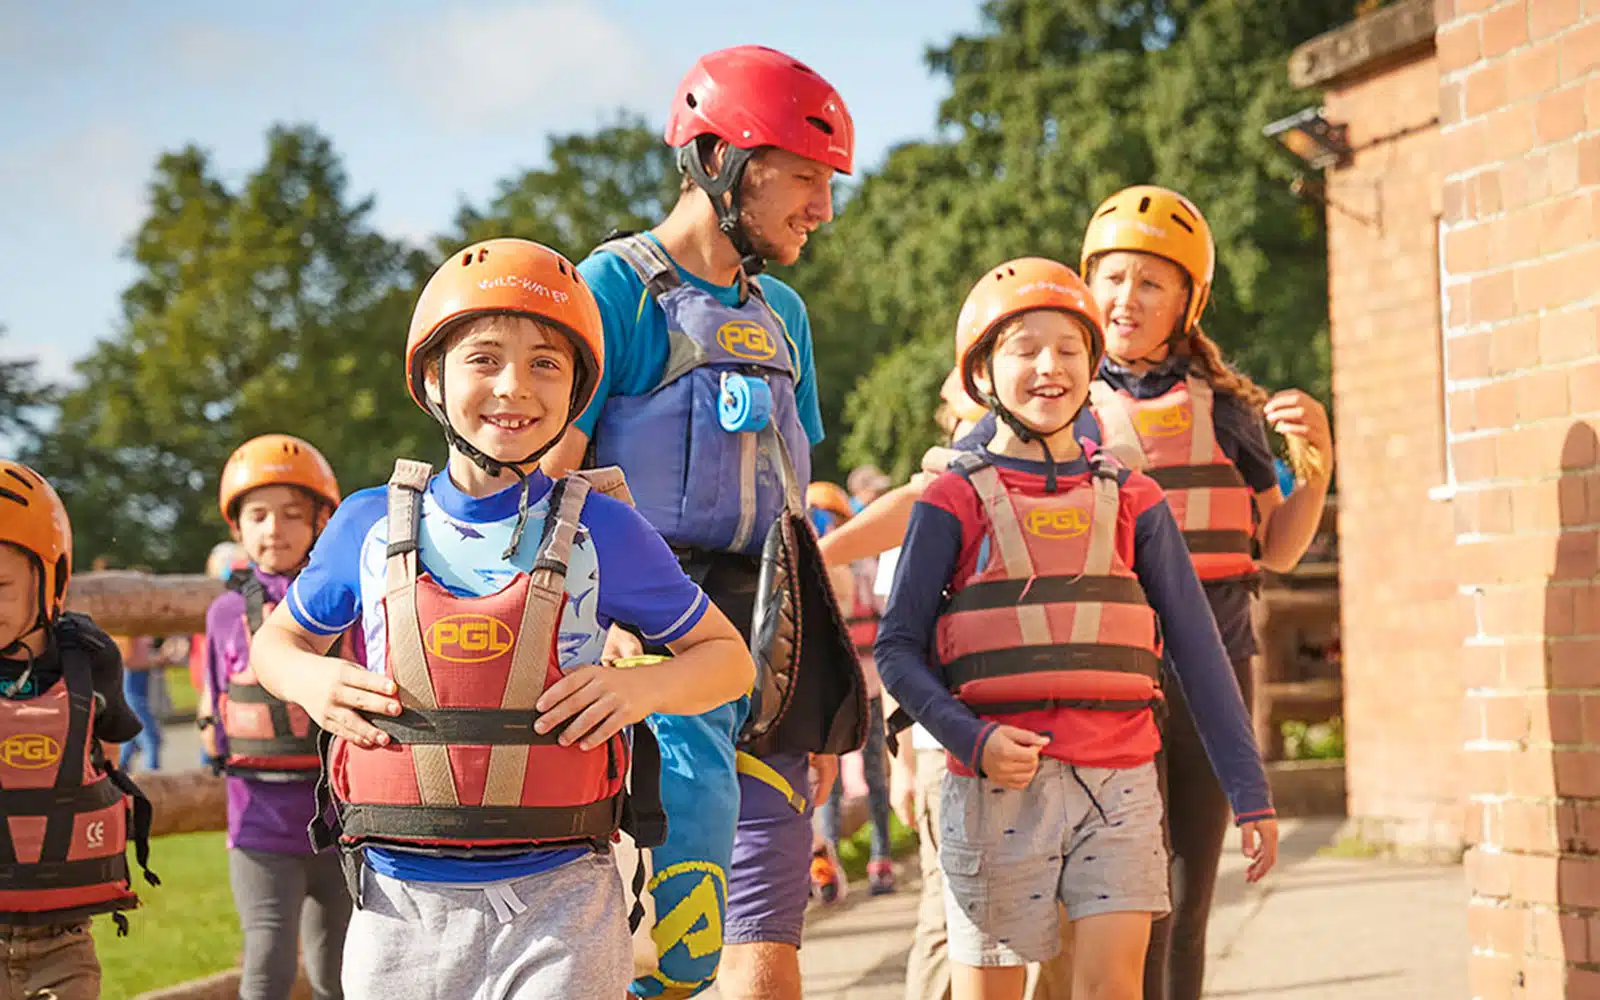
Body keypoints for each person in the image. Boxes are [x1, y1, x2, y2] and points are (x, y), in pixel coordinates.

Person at [247, 237, 755, 1000]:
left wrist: (638, 691)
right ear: (432, 379)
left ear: (578, 389)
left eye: (546, 363)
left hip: (564, 901)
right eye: (484, 359)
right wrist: (310, 676)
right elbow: (277, 643)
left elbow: (728, 660)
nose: (514, 386)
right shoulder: (366, 525)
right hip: (399, 908)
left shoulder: (604, 531)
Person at [542, 45, 866, 1000]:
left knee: (768, 954)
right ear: (722, 159)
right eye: (804, 176)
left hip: (767, 648)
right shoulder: (611, 292)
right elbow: (551, 488)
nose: (823, 207)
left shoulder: (786, 314)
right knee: (675, 961)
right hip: (655, 643)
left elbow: (794, 493)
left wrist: (816, 662)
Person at [875, 258, 1278, 1000]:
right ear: (983, 373)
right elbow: (895, 650)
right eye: (1024, 347)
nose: (1049, 366)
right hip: (994, 784)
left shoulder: (1136, 500)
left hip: (1119, 781)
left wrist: (1249, 792)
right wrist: (974, 739)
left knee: (1111, 988)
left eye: (1068, 348)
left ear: (1092, 367)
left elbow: (1200, 650)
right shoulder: (951, 498)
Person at [1077, 185, 1333, 1000]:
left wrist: (1318, 461)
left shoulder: (1227, 410)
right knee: (1125, 903)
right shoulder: (1065, 406)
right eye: (1114, 277)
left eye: (1152, 282)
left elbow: (1281, 549)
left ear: (1188, 300)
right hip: (1110, 678)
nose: (1127, 298)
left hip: (1213, 673)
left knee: (1186, 904)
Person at [200, 434, 353, 1000]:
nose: (274, 529)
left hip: (340, 822)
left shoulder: (346, 601)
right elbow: (217, 702)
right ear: (237, 526)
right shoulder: (223, 614)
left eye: (292, 515)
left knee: (338, 970)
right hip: (258, 825)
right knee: (266, 963)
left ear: (321, 521)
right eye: (258, 515)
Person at [0, 461, 157, 1000]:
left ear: (53, 578)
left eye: (0, 586)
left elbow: (102, 758)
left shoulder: (89, 660)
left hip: (63, 943)